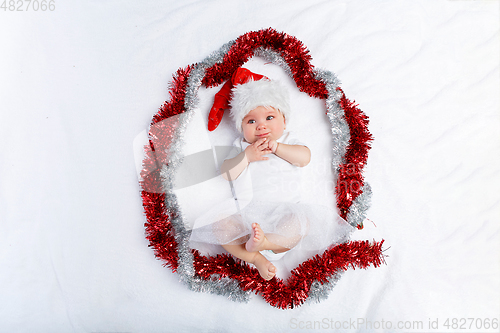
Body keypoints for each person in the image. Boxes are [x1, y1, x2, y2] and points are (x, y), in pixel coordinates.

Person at [189, 68, 351, 280]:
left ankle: (267, 243)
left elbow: (304, 158)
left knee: (302, 223)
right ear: (241, 128)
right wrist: (246, 156)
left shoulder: (288, 140)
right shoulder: (241, 146)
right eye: (251, 121)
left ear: (284, 121)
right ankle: (256, 258)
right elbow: (227, 173)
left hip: (283, 211)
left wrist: (278, 148)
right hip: (246, 215)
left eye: (269, 117)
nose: (261, 125)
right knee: (221, 224)